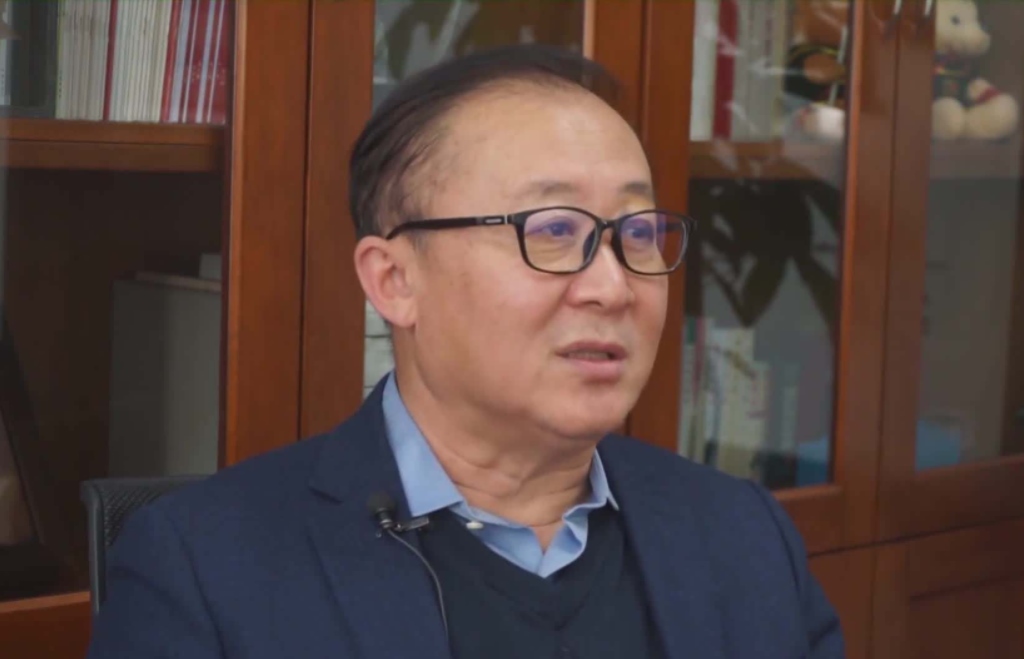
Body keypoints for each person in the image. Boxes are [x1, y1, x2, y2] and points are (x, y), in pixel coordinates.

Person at [86, 44, 844, 659]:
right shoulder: (206, 569)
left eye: (637, 233)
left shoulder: (743, 534)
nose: (614, 287)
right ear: (394, 280)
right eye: (554, 230)